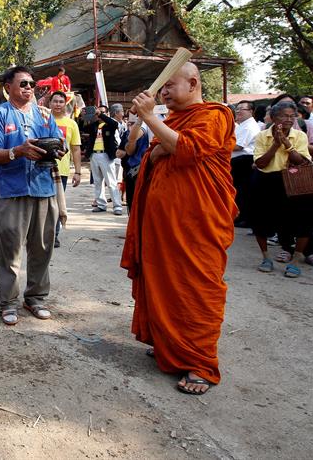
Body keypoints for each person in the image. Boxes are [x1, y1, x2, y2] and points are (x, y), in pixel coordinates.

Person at [122, 63, 237, 395]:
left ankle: (201, 364)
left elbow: (187, 149)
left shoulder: (215, 115)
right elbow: (164, 151)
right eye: (163, 88)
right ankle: (170, 346)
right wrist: (160, 142)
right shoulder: (172, 122)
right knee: (163, 283)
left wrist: (150, 119)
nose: (165, 92)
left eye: (170, 86)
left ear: (194, 83)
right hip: (163, 227)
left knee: (195, 290)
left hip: (196, 228)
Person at [0, 66, 65, 326]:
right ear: (8, 87)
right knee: (10, 249)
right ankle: (8, 302)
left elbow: (55, 142)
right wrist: (17, 151)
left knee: (42, 246)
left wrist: (58, 150)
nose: (29, 88)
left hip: (43, 187)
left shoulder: (44, 115)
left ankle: (36, 298)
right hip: (10, 188)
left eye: (31, 84)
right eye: (23, 84)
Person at [251, 101, 312, 277]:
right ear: (273, 117)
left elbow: (301, 161)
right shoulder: (263, 135)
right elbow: (260, 163)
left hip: (294, 181)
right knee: (261, 221)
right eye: (284, 115)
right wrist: (275, 145)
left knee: (302, 221)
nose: (289, 119)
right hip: (267, 180)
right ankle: (266, 258)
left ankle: (296, 260)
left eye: (292, 116)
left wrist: (286, 143)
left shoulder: (299, 136)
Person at [48, 91, 81, 247]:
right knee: (41, 204)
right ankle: (38, 234)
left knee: (56, 204)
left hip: (61, 171)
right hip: (42, 169)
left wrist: (78, 172)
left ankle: (54, 235)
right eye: (55, 101)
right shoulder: (42, 121)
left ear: (65, 104)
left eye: (61, 102)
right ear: (50, 103)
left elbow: (75, 149)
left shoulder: (71, 124)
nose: (58, 104)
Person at [83, 105, 123, 215]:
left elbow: (115, 124)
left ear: (107, 113)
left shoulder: (110, 125)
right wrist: (86, 116)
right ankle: (101, 204)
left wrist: (100, 114)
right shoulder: (94, 125)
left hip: (106, 155)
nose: (99, 114)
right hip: (94, 155)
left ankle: (117, 205)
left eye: (102, 112)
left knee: (111, 181)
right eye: (98, 112)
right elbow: (84, 128)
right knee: (97, 182)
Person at [231, 101, 261, 227]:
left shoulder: (249, 126)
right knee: (239, 189)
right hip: (238, 161)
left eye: (242, 109)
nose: (238, 111)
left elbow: (238, 146)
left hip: (244, 161)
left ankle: (244, 217)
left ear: (251, 111)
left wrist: (219, 145)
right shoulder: (242, 125)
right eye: (237, 109)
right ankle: (240, 216)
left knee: (243, 190)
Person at [116, 113, 149, 210]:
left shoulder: (151, 126)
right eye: (129, 123)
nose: (130, 126)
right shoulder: (128, 133)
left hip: (147, 169)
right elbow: (124, 151)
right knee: (133, 207)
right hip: (132, 170)